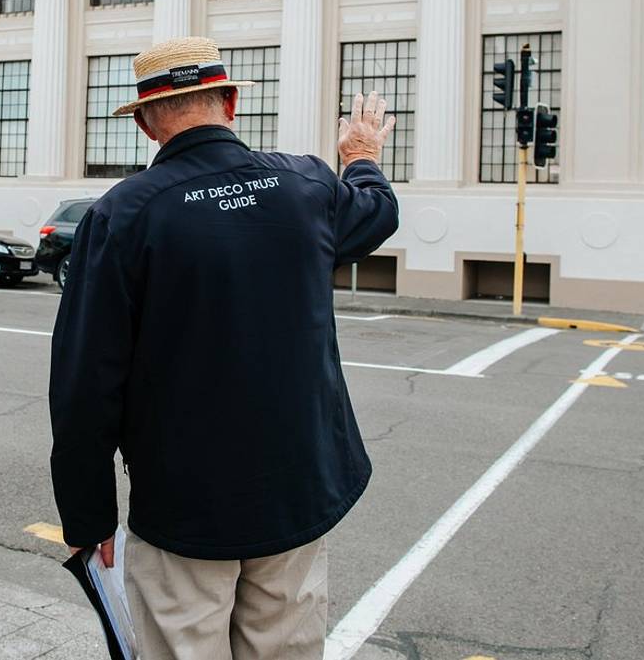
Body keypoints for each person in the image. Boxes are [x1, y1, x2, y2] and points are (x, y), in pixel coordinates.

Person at [49, 36, 399, 660]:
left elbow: (86, 380)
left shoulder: (123, 215)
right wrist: (361, 155)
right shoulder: (305, 184)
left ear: (149, 123)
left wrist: (88, 513)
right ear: (231, 102)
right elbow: (376, 212)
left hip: (184, 503)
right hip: (297, 485)